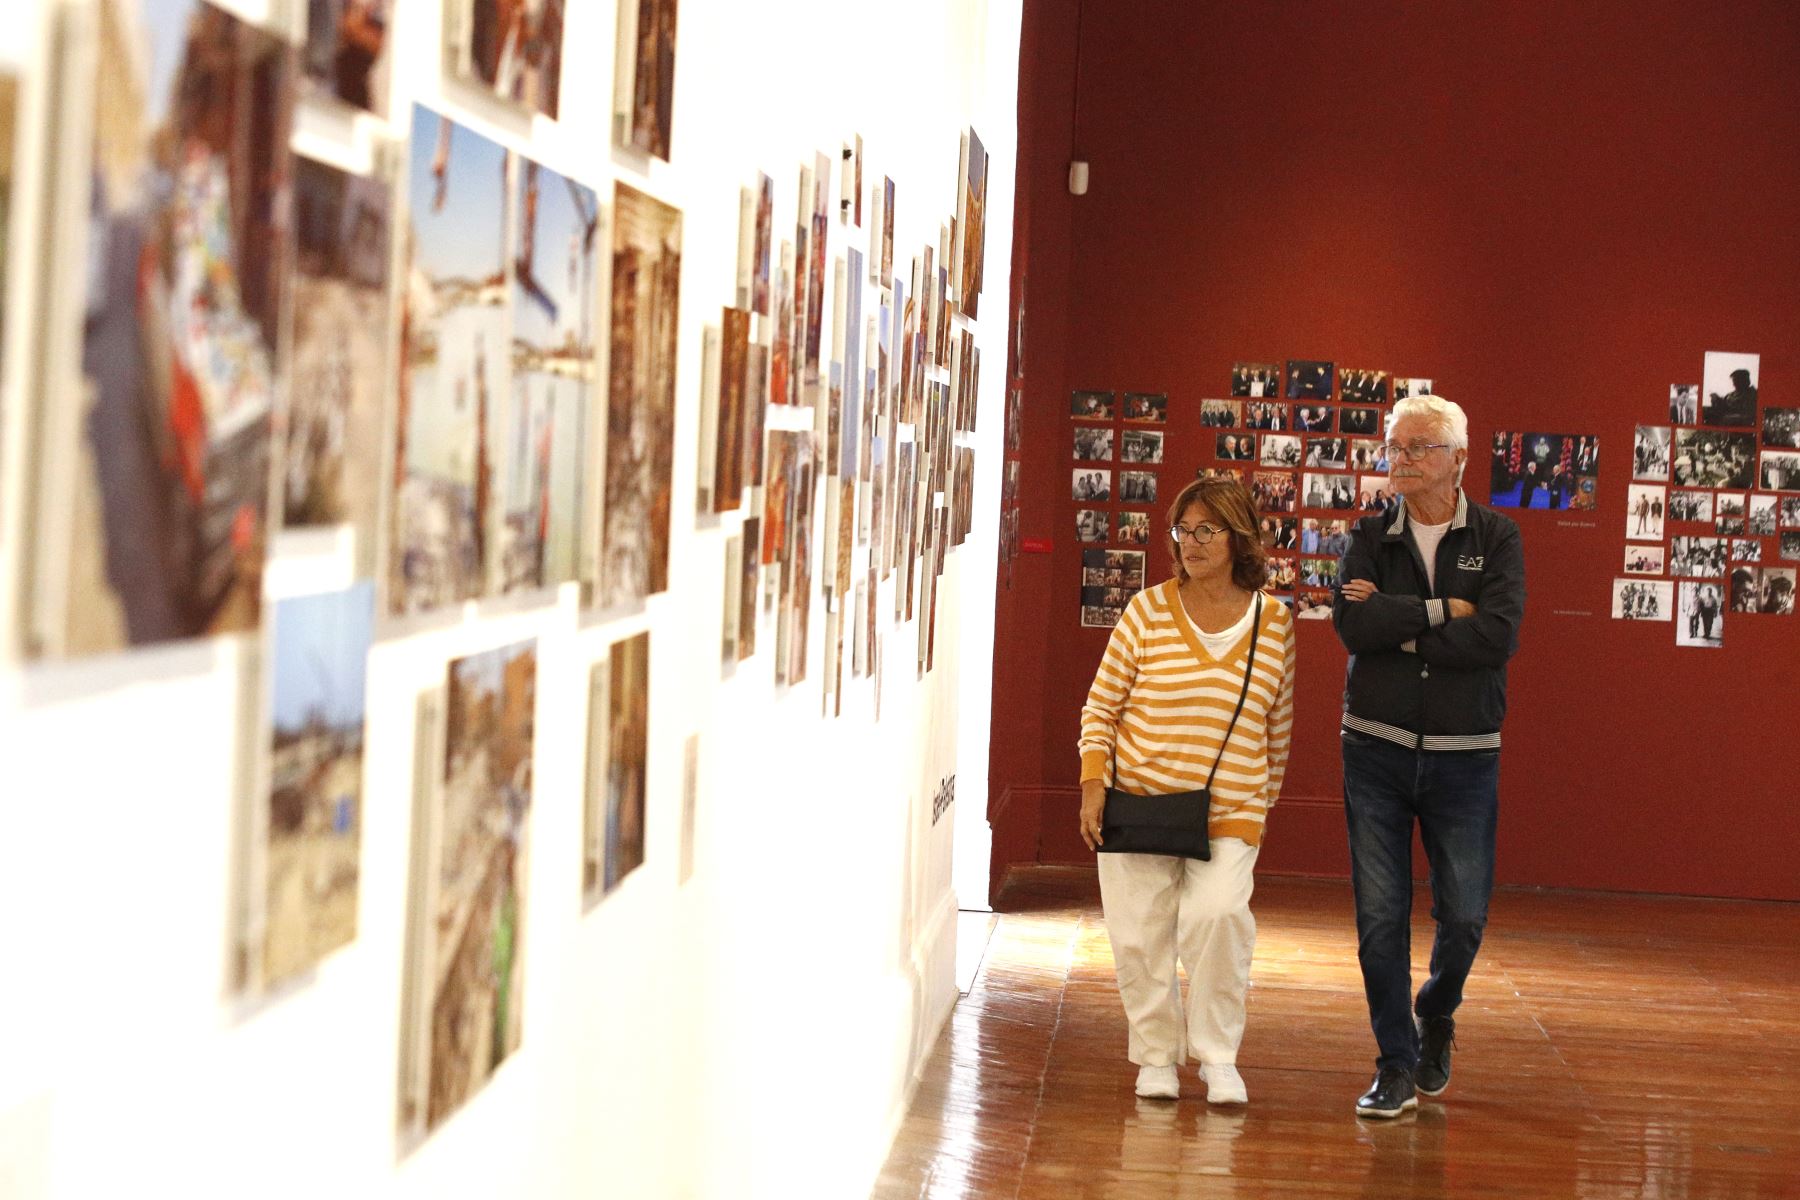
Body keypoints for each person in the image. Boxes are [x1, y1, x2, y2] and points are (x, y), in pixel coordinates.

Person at [1331, 394, 1526, 1119]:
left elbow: (1498, 637)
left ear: (1459, 461)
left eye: (1418, 448)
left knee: (1465, 914)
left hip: (1465, 756)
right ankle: (1394, 1062)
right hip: (1374, 751)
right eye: (1394, 447)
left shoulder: (1499, 538)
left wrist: (1399, 623)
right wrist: (1446, 611)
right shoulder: (1369, 533)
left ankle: (1436, 1010)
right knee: (1381, 916)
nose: (1401, 460)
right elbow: (1353, 624)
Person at [1077, 476, 1297, 1106]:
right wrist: (1095, 783)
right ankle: (1154, 1055)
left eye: (1208, 530)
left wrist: (1260, 803)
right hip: (1137, 801)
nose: (1192, 543)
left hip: (1230, 806)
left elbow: (1276, 724)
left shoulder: (1274, 624)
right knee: (1141, 934)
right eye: (1184, 530)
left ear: (1239, 537)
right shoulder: (1145, 611)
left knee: (1219, 916)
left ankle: (1218, 1055)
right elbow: (1102, 708)